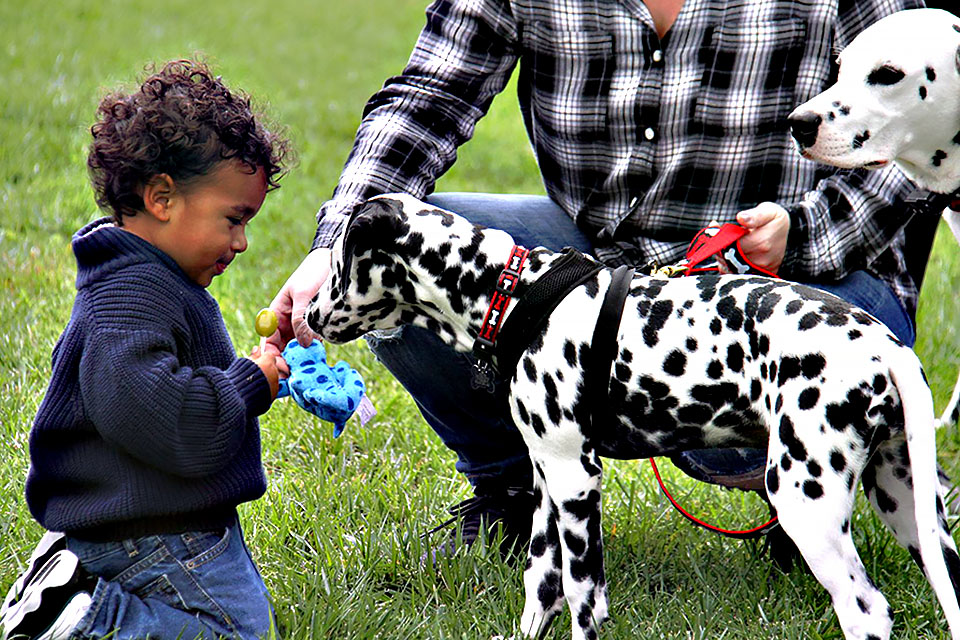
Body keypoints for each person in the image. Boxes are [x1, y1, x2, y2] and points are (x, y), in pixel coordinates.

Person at [270, 0, 927, 562]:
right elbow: (430, 99)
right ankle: (515, 491)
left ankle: (802, 487)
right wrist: (337, 244)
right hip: (601, 263)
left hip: (798, 275)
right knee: (397, 260)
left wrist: (806, 232)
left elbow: (923, 122)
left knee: (831, 368)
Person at [0, 59, 290, 640]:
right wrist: (246, 382)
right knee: (238, 634)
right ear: (161, 197)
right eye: (233, 219)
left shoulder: (150, 277)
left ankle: (79, 582)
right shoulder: (130, 295)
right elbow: (169, 418)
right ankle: (83, 613)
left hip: (159, 516)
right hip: (148, 530)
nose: (242, 241)